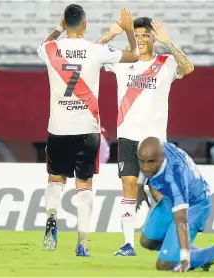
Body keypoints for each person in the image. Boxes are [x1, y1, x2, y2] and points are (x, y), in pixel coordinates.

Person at [36, 4, 139, 256]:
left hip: (58, 127)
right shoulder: (96, 50)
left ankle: (52, 214)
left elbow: (43, 45)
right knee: (84, 186)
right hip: (87, 128)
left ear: (65, 23)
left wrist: (58, 28)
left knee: (55, 179)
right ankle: (81, 243)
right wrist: (127, 31)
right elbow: (134, 55)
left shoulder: (50, 49)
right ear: (85, 24)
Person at [95, 17, 195, 256]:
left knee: (161, 195)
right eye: (136, 36)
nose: (140, 40)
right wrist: (111, 34)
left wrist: (168, 42)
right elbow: (93, 54)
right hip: (128, 137)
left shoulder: (166, 62)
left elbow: (188, 67)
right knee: (129, 187)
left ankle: (171, 242)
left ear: (153, 36)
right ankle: (128, 244)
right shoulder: (123, 60)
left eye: (144, 36)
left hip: (155, 142)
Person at [136, 137, 214, 272]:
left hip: (195, 205)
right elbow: (145, 161)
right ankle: (182, 252)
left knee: (164, 265)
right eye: (142, 162)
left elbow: (182, 221)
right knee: (148, 241)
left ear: (162, 157)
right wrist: (139, 188)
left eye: (150, 162)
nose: (145, 167)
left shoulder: (175, 177)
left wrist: (185, 259)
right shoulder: (157, 149)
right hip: (171, 197)